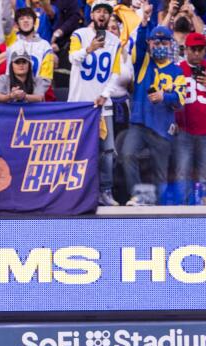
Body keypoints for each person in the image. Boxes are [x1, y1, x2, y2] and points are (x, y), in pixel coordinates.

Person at [119, 21, 182, 206]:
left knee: (160, 173)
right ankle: (139, 196)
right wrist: (144, 24)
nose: (160, 46)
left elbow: (181, 98)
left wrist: (165, 96)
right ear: (150, 44)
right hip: (138, 124)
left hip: (162, 127)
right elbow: (138, 43)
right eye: (156, 42)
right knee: (127, 154)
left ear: (170, 44)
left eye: (164, 43)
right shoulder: (142, 62)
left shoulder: (176, 71)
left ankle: (160, 208)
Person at [69, 0, 122, 206]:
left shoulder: (115, 42)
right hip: (79, 104)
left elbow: (115, 73)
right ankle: (77, 192)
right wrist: (88, 49)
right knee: (77, 150)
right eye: (98, 11)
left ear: (109, 17)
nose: (102, 15)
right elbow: (73, 58)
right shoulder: (79, 35)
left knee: (107, 150)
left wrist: (106, 94)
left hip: (102, 105)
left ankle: (105, 191)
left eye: (105, 12)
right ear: (92, 15)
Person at [173, 31, 206, 205]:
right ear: (185, 49)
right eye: (193, 49)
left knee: (205, 173)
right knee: (182, 171)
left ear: (205, 50)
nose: (196, 53)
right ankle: (182, 209)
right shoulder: (176, 68)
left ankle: (202, 209)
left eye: (200, 49)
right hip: (184, 129)